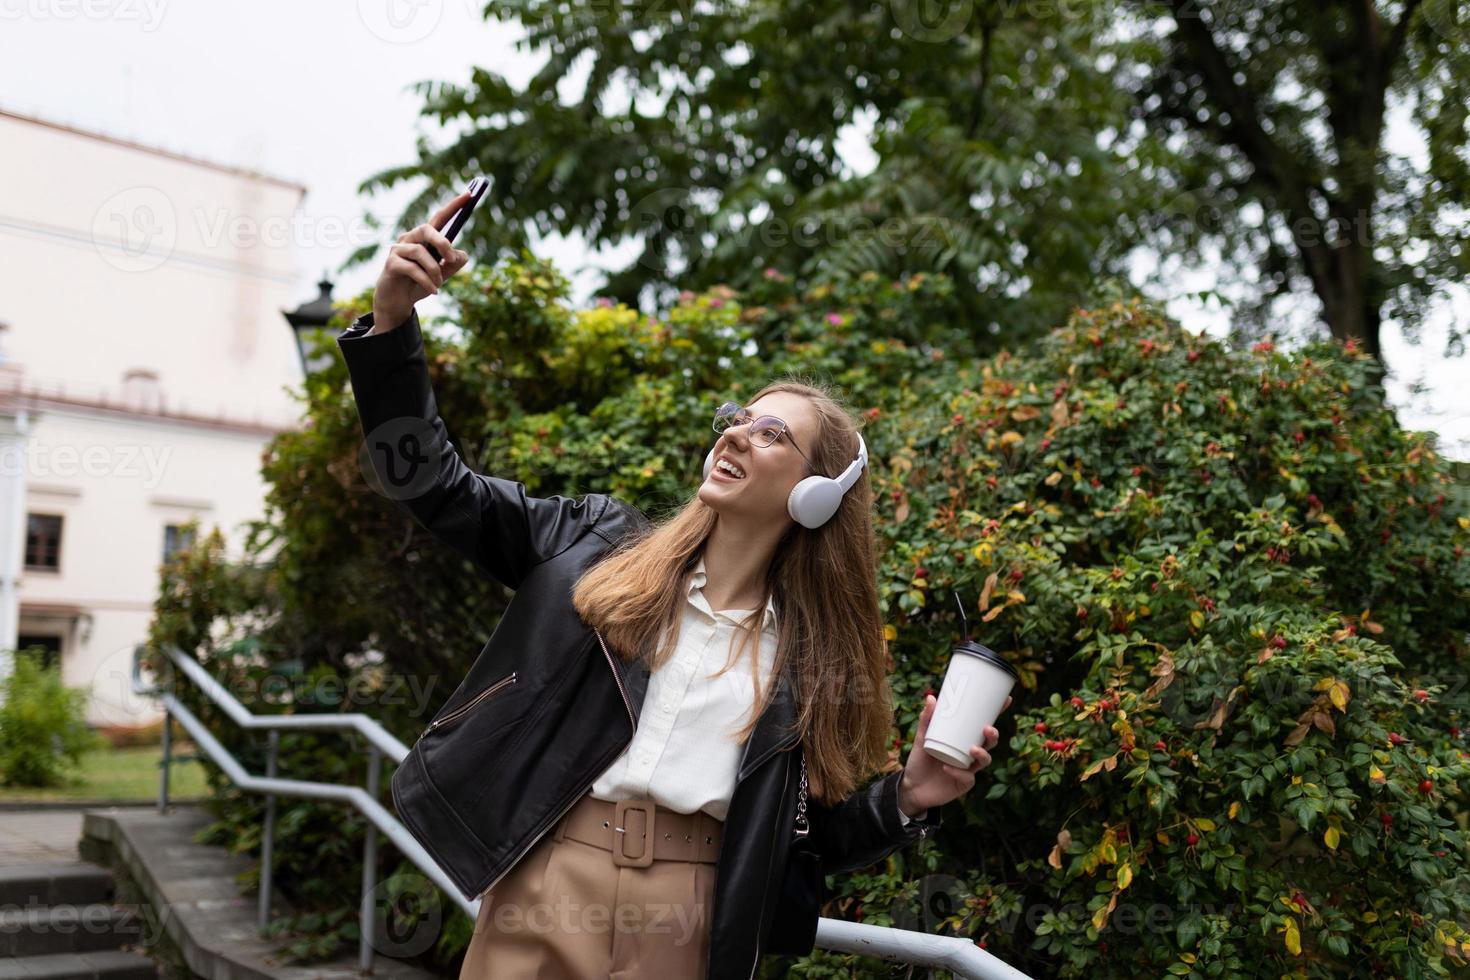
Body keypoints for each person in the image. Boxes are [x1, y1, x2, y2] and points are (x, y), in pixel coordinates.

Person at [337, 190, 1013, 979]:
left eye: (772, 435)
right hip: (549, 878)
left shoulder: (810, 659)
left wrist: (909, 796)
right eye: (739, 417)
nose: (736, 433)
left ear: (816, 495)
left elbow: (803, 841)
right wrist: (390, 328)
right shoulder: (590, 544)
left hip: (690, 917)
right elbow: (436, 490)